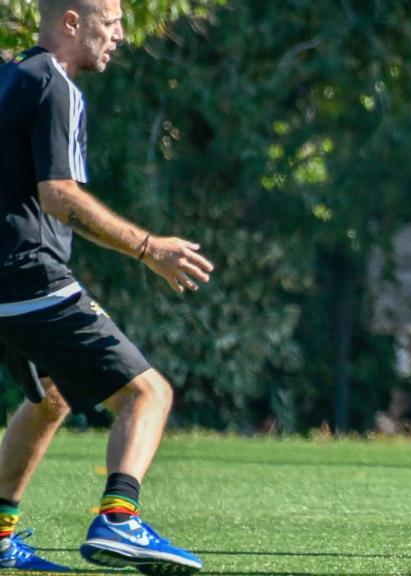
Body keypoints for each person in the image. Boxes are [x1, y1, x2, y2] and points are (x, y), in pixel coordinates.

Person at [0, 0, 212, 572]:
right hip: (31, 276)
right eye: (110, 21)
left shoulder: (9, 76)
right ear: (72, 22)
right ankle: (121, 519)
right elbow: (59, 195)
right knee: (149, 394)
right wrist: (149, 248)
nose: (119, 35)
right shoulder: (54, 83)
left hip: (3, 284)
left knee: (48, 399)